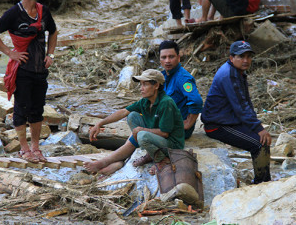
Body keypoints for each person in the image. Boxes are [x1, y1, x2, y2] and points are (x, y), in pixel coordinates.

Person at [0, 0, 58, 163]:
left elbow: (53, 31)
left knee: (37, 110)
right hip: (23, 70)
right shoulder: (14, 13)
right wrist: (10, 53)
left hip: (40, 70)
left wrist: (50, 54)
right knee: (21, 109)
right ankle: (24, 149)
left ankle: (36, 148)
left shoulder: (43, 11)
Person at [83, 69, 184, 175]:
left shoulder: (166, 103)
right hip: (158, 139)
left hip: (172, 145)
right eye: (141, 85)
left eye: (145, 84)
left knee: (142, 136)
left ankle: (162, 160)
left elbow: (165, 133)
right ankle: (112, 161)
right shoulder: (145, 101)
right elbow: (123, 112)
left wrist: (141, 130)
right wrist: (100, 123)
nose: (141, 88)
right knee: (132, 116)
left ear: (156, 86)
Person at [201, 41, 271, 184]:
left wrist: (255, 125)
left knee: (261, 139)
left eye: (248, 56)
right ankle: (262, 185)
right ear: (232, 58)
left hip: (229, 119)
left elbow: (246, 102)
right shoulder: (229, 75)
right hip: (217, 125)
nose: (246, 60)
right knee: (259, 143)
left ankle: (264, 180)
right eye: (241, 57)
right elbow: (241, 107)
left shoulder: (236, 71)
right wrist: (258, 128)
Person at [159, 40, 203, 139]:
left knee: (142, 133)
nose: (167, 61)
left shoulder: (183, 78)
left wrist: (188, 123)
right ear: (160, 60)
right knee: (135, 117)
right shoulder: (163, 76)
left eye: (171, 57)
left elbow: (196, 101)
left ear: (178, 58)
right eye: (164, 57)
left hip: (179, 130)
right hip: (166, 123)